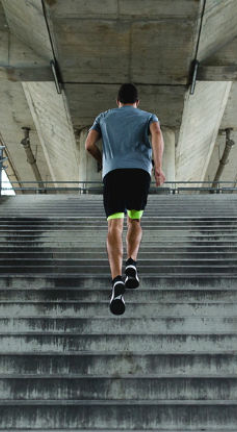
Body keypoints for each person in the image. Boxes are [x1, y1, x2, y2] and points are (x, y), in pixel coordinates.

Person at [85, 83, 165, 315]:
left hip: (114, 174)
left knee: (114, 224)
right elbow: (157, 134)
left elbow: (89, 145)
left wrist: (102, 160)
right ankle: (131, 262)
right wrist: (157, 167)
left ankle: (116, 279)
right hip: (140, 173)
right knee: (135, 220)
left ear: (117, 101)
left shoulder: (104, 116)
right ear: (137, 102)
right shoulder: (149, 116)